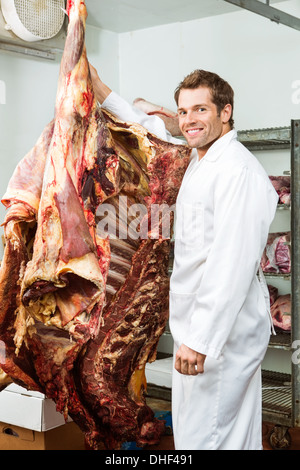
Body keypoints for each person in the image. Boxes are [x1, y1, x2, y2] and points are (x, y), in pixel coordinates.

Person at [89, 65, 279, 450]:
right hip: (202, 324)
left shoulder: (237, 170)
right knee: (225, 431)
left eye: (201, 110)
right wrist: (97, 87)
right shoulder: (202, 157)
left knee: (207, 435)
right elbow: (150, 128)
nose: (189, 120)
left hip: (221, 332)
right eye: (184, 111)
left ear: (225, 112)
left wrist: (200, 340)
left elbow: (231, 265)